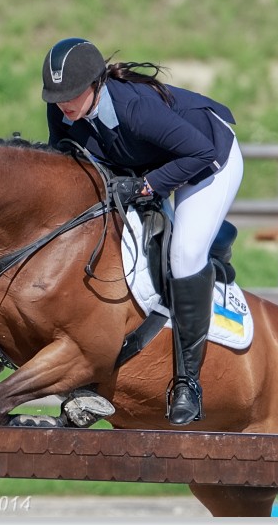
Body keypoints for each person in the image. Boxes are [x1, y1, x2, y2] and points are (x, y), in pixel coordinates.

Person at [41, 37, 244, 426]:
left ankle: (188, 383)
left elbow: (199, 154)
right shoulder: (62, 110)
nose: (64, 105)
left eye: (72, 94)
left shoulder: (135, 109)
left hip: (207, 159)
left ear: (97, 84)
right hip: (147, 158)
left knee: (184, 256)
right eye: (56, 96)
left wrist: (147, 186)